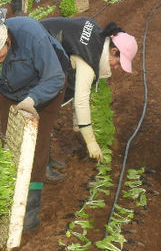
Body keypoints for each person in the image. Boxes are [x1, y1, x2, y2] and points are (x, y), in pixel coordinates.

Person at [0, 8, 67, 233]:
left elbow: (54, 76)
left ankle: (29, 212)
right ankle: (15, 194)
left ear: (6, 38)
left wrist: (33, 99)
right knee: (12, 146)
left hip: (47, 86)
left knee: (35, 146)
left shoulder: (31, 34)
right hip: (11, 92)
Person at [39, 17, 138, 162]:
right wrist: (91, 142)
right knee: (43, 112)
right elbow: (81, 101)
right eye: (118, 63)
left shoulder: (98, 36)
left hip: (45, 40)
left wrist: (77, 127)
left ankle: (46, 161)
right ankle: (42, 165)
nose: (116, 68)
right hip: (37, 49)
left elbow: (75, 87)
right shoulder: (89, 57)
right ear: (114, 50)